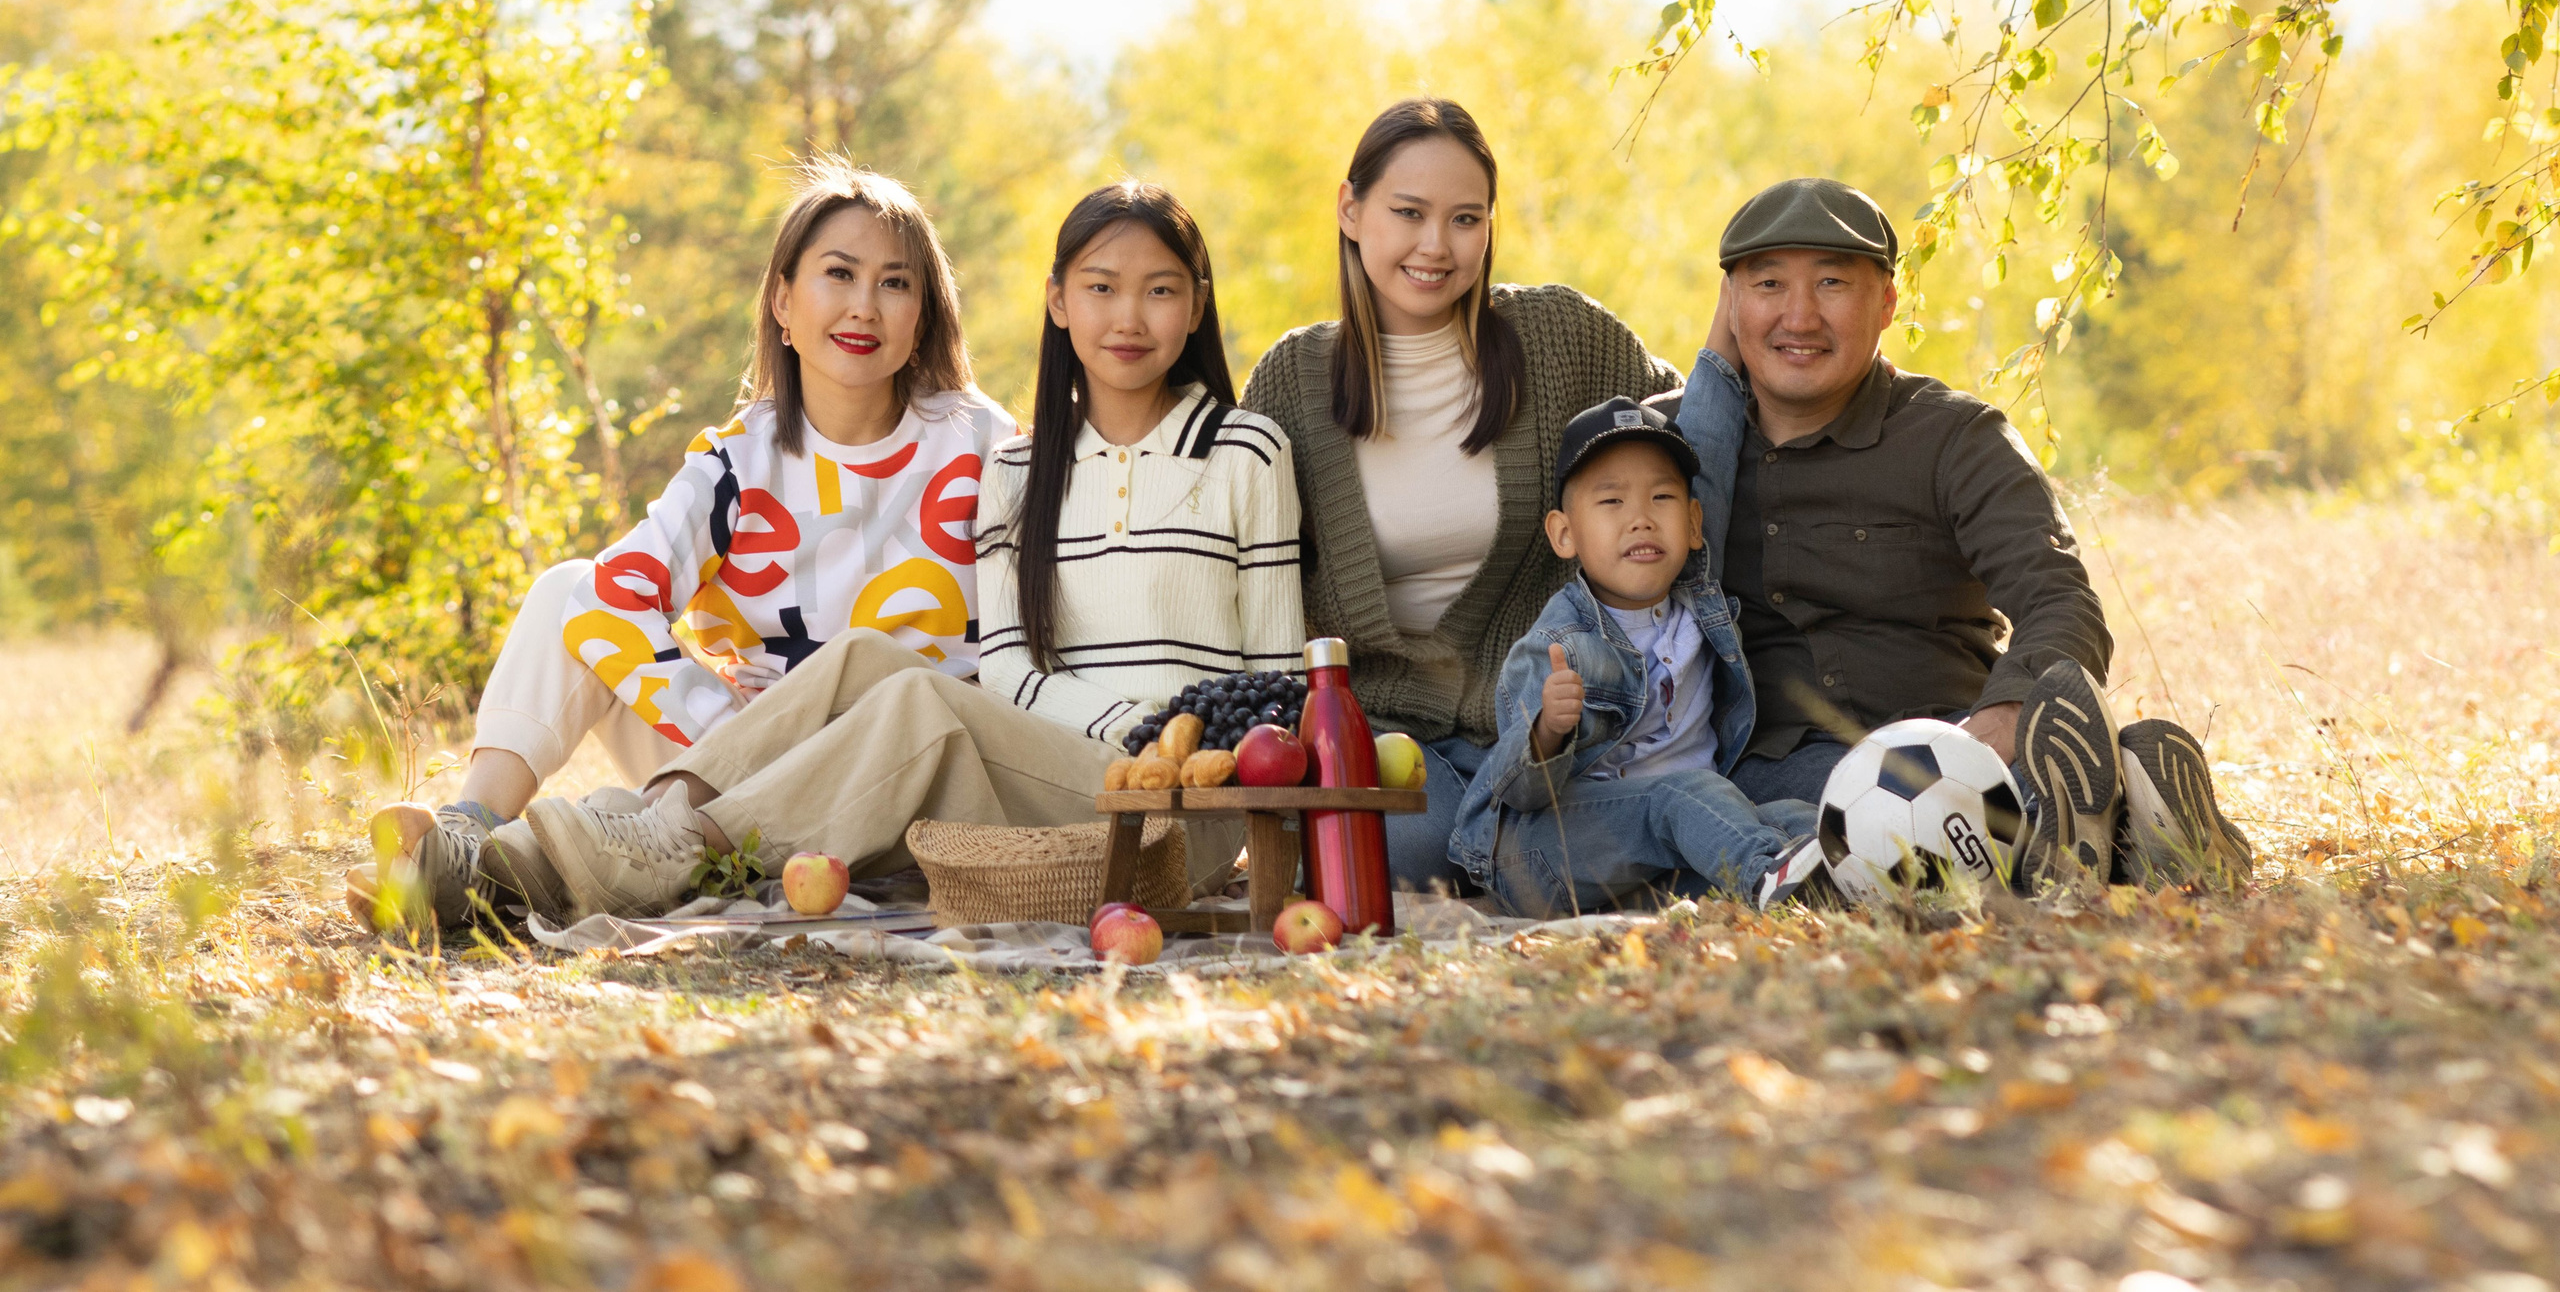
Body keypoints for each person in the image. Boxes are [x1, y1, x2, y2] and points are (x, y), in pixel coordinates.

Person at [516, 181, 1304, 917]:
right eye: (1102, 287)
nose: (1128, 316)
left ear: (1197, 305)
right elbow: (1012, 673)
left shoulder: (1248, 453)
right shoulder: (1023, 470)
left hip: (1179, 807)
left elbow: (1282, 686)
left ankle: (675, 847)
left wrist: (1169, 738)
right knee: (865, 656)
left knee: (914, 698)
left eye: (1159, 290)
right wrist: (1123, 726)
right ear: (1058, 301)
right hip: (1047, 770)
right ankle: (565, 839)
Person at [357, 160, 1013, 931]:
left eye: (895, 283)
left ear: (924, 314)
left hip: (896, 775)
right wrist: (733, 738)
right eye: (839, 273)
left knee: (702, 786)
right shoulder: (742, 458)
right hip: (731, 767)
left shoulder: (980, 444)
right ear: (783, 301)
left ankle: (508, 875)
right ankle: (468, 832)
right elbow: (610, 597)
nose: (864, 306)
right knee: (570, 586)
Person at [1674, 177, 2252, 884]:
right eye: (1768, 284)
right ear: (1730, 303)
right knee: (1823, 827)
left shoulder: (1956, 437)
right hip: (1777, 767)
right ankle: (2125, 826)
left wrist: (2006, 716)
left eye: (1832, 283)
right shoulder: (1674, 450)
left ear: (1886, 302)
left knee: (1949, 808)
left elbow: (2059, 600)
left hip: (1955, 734)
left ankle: (2105, 824)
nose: (1799, 315)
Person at [1243, 98, 1677, 893]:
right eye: (1409, 213)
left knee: (1561, 815)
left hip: (1541, 724)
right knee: (1420, 846)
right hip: (1376, 735)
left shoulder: (1558, 335)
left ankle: (1546, 845)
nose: (1437, 246)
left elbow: (1681, 429)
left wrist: (1781, 372)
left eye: (1466, 219)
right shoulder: (1293, 379)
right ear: (1351, 208)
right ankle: (1539, 853)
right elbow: (1241, 556)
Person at [1452, 396, 1830, 917]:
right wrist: (1549, 730)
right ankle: (1771, 883)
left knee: (1791, 816)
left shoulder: (1701, 613)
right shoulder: (1559, 645)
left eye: (1661, 497)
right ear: (1564, 534)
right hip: (1544, 851)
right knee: (1681, 797)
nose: (1641, 520)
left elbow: (1715, 438)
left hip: (1649, 852)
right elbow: (1520, 792)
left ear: (1695, 524)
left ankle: (1843, 874)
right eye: (1611, 503)